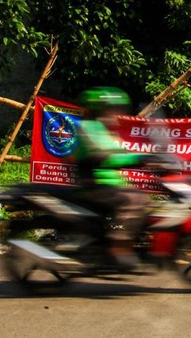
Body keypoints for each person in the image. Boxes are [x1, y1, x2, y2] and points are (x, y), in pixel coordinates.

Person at [75, 86, 149, 269]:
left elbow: (120, 152)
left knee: (140, 197)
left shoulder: (103, 130)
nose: (117, 114)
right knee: (135, 198)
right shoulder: (90, 129)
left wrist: (151, 159)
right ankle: (119, 247)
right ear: (101, 110)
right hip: (96, 185)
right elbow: (105, 157)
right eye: (114, 109)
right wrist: (138, 158)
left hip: (108, 184)